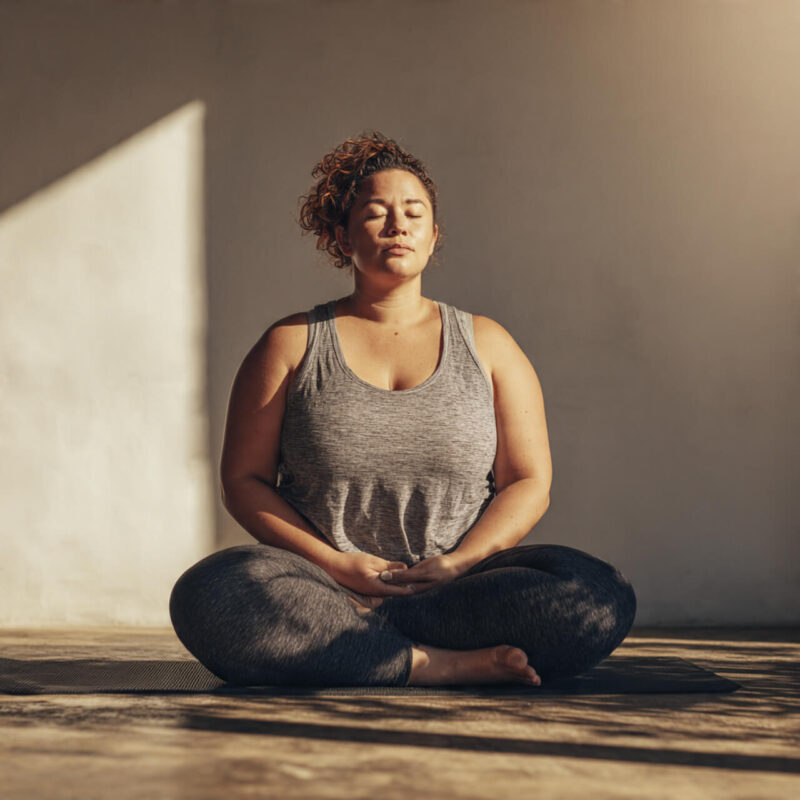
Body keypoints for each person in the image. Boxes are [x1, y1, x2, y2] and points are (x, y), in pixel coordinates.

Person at [169, 131, 637, 687]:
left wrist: (460, 564)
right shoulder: (291, 343)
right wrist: (336, 566)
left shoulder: (489, 343)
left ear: (433, 236)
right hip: (323, 587)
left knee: (597, 592)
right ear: (342, 237)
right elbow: (244, 480)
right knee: (212, 591)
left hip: (458, 592)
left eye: (414, 213)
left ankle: (365, 646)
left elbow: (529, 480)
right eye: (377, 213)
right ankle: (431, 664)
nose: (398, 225)